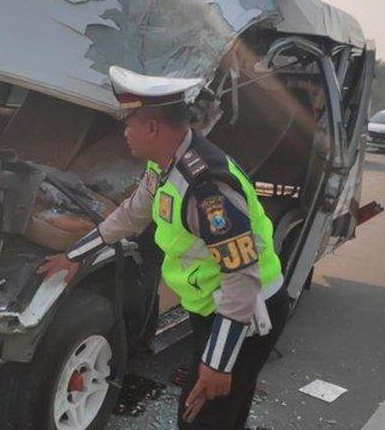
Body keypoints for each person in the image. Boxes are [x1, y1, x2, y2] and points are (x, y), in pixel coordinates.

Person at [38, 66, 291, 430]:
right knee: (223, 414)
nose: (124, 133)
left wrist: (217, 363)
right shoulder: (166, 164)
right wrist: (75, 255)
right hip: (214, 306)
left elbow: (241, 278)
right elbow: (131, 214)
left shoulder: (207, 188)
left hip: (247, 313)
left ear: (153, 127)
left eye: (129, 123)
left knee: (201, 418)